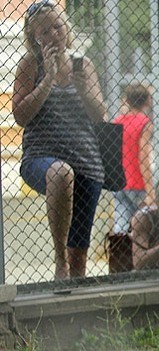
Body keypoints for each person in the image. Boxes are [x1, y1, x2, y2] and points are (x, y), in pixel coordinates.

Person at [12, 1, 107, 280]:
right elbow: (20, 115)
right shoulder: (30, 65)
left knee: (80, 258)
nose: (54, 34)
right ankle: (58, 260)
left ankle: (76, 309)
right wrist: (48, 79)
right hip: (41, 159)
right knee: (60, 172)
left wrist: (82, 89)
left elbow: (99, 114)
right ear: (34, 38)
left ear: (66, 27)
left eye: (58, 26)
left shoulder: (83, 64)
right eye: (44, 31)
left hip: (87, 163)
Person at [111, 83, 155, 233]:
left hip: (119, 182)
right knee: (142, 228)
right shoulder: (144, 123)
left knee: (121, 227)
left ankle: (118, 254)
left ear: (127, 100)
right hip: (137, 182)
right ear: (146, 101)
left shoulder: (117, 121)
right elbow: (143, 157)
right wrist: (150, 191)